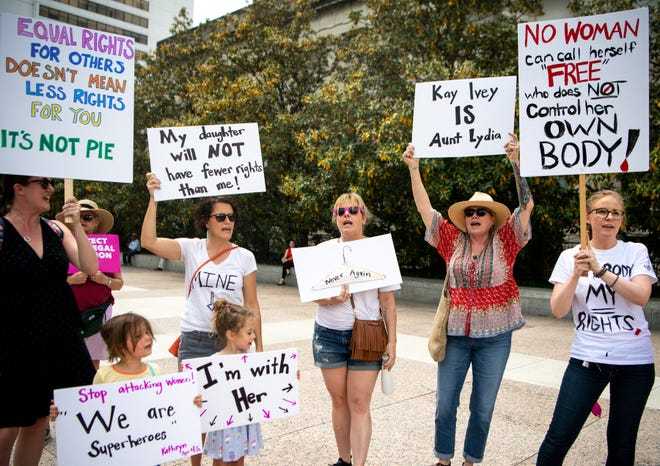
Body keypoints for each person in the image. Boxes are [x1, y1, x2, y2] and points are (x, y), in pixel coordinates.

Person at [403, 134, 533, 466]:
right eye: (471, 212)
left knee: (483, 406)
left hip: (496, 338)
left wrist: (517, 162)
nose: (475, 216)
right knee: (445, 402)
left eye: (482, 212)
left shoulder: (507, 239)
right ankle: (443, 460)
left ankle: (470, 460)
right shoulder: (452, 239)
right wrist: (414, 169)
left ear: (492, 219)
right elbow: (424, 209)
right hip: (457, 335)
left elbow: (527, 206)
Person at [140, 172, 263, 466]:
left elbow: (252, 304)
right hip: (194, 339)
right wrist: (153, 198)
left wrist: (259, 349)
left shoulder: (244, 256)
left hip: (232, 343)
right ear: (206, 221)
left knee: (229, 412)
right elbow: (148, 241)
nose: (227, 222)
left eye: (231, 217)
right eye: (220, 217)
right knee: (195, 413)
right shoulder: (191, 248)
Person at [537, 190, 656, 466]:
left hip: (635, 362)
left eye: (616, 212)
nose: (609, 217)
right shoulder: (570, 256)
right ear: (588, 217)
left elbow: (641, 295)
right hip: (587, 360)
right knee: (557, 439)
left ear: (622, 220)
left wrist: (602, 271)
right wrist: (576, 276)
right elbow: (558, 309)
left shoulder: (634, 251)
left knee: (622, 445)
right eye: (602, 211)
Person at [0, 175, 98, 466]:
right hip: (13, 340)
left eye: (51, 183)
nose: (51, 189)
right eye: (42, 183)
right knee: (6, 428)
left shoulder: (56, 229)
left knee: (39, 420)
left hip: (59, 335)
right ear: (18, 188)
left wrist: (76, 225)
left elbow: (90, 267)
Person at [313, 192, 398, 466]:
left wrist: (392, 342)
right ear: (335, 218)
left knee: (359, 403)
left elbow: (387, 301)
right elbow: (313, 293)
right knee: (339, 401)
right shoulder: (323, 250)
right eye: (341, 211)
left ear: (363, 215)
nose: (346, 215)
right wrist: (330, 298)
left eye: (352, 210)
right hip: (328, 333)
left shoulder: (379, 250)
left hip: (368, 334)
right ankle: (344, 460)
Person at [51, 313, 202, 416]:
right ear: (119, 346)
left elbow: (165, 404)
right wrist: (63, 412)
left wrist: (189, 401)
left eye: (147, 332)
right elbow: (91, 411)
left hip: (150, 445)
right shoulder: (104, 376)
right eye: (138, 335)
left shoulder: (154, 370)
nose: (148, 337)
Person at [61, 199, 124, 370]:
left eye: (87, 217)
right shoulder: (61, 245)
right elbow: (48, 281)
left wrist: (105, 280)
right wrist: (71, 280)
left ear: (97, 222)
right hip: (67, 312)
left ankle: (91, 393)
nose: (81, 220)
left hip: (97, 314)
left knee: (93, 362)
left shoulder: (109, 246)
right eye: (77, 216)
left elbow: (119, 284)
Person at [204, 300, 263, 465]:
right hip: (224, 422)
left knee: (240, 458)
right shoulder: (214, 362)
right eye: (249, 332)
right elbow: (204, 394)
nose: (254, 336)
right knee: (221, 460)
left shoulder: (251, 359)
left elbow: (266, 381)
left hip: (244, 417)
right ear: (231, 335)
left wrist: (288, 376)